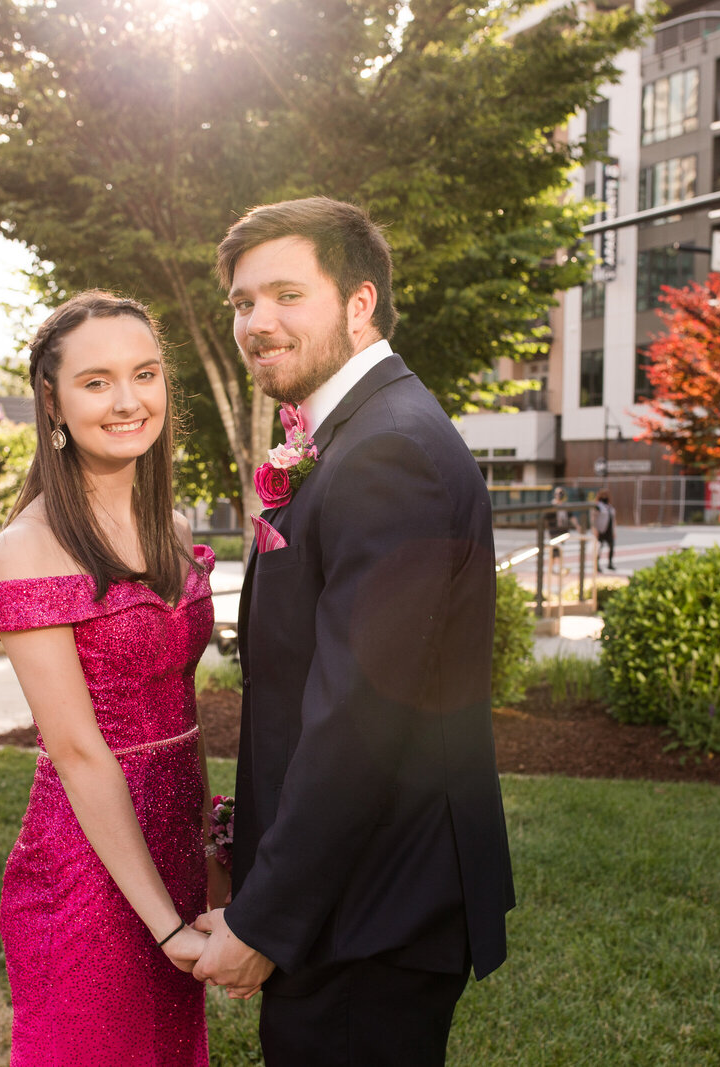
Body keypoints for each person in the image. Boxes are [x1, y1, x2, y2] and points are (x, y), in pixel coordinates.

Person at [191, 197, 516, 1066]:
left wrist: (268, 919)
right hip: (360, 893)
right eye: (242, 303)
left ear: (360, 301)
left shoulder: (387, 453)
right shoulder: (356, 434)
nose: (257, 322)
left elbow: (358, 724)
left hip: (369, 911)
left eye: (286, 294)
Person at [0, 291, 224, 1066]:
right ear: (52, 400)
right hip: (88, 871)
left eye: (144, 374)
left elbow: (183, 712)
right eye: (97, 380)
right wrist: (167, 924)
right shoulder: (29, 546)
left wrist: (210, 862)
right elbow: (78, 750)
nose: (128, 400)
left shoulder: (173, 527)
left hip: (175, 852)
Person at [594, 488, 617, 570]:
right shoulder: (598, 506)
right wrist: (595, 530)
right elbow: (594, 518)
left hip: (609, 530)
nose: (605, 496)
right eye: (603, 495)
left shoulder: (610, 506)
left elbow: (613, 519)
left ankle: (610, 563)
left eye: (606, 495)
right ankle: (597, 565)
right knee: (599, 547)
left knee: (611, 546)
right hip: (601, 530)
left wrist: (614, 531)